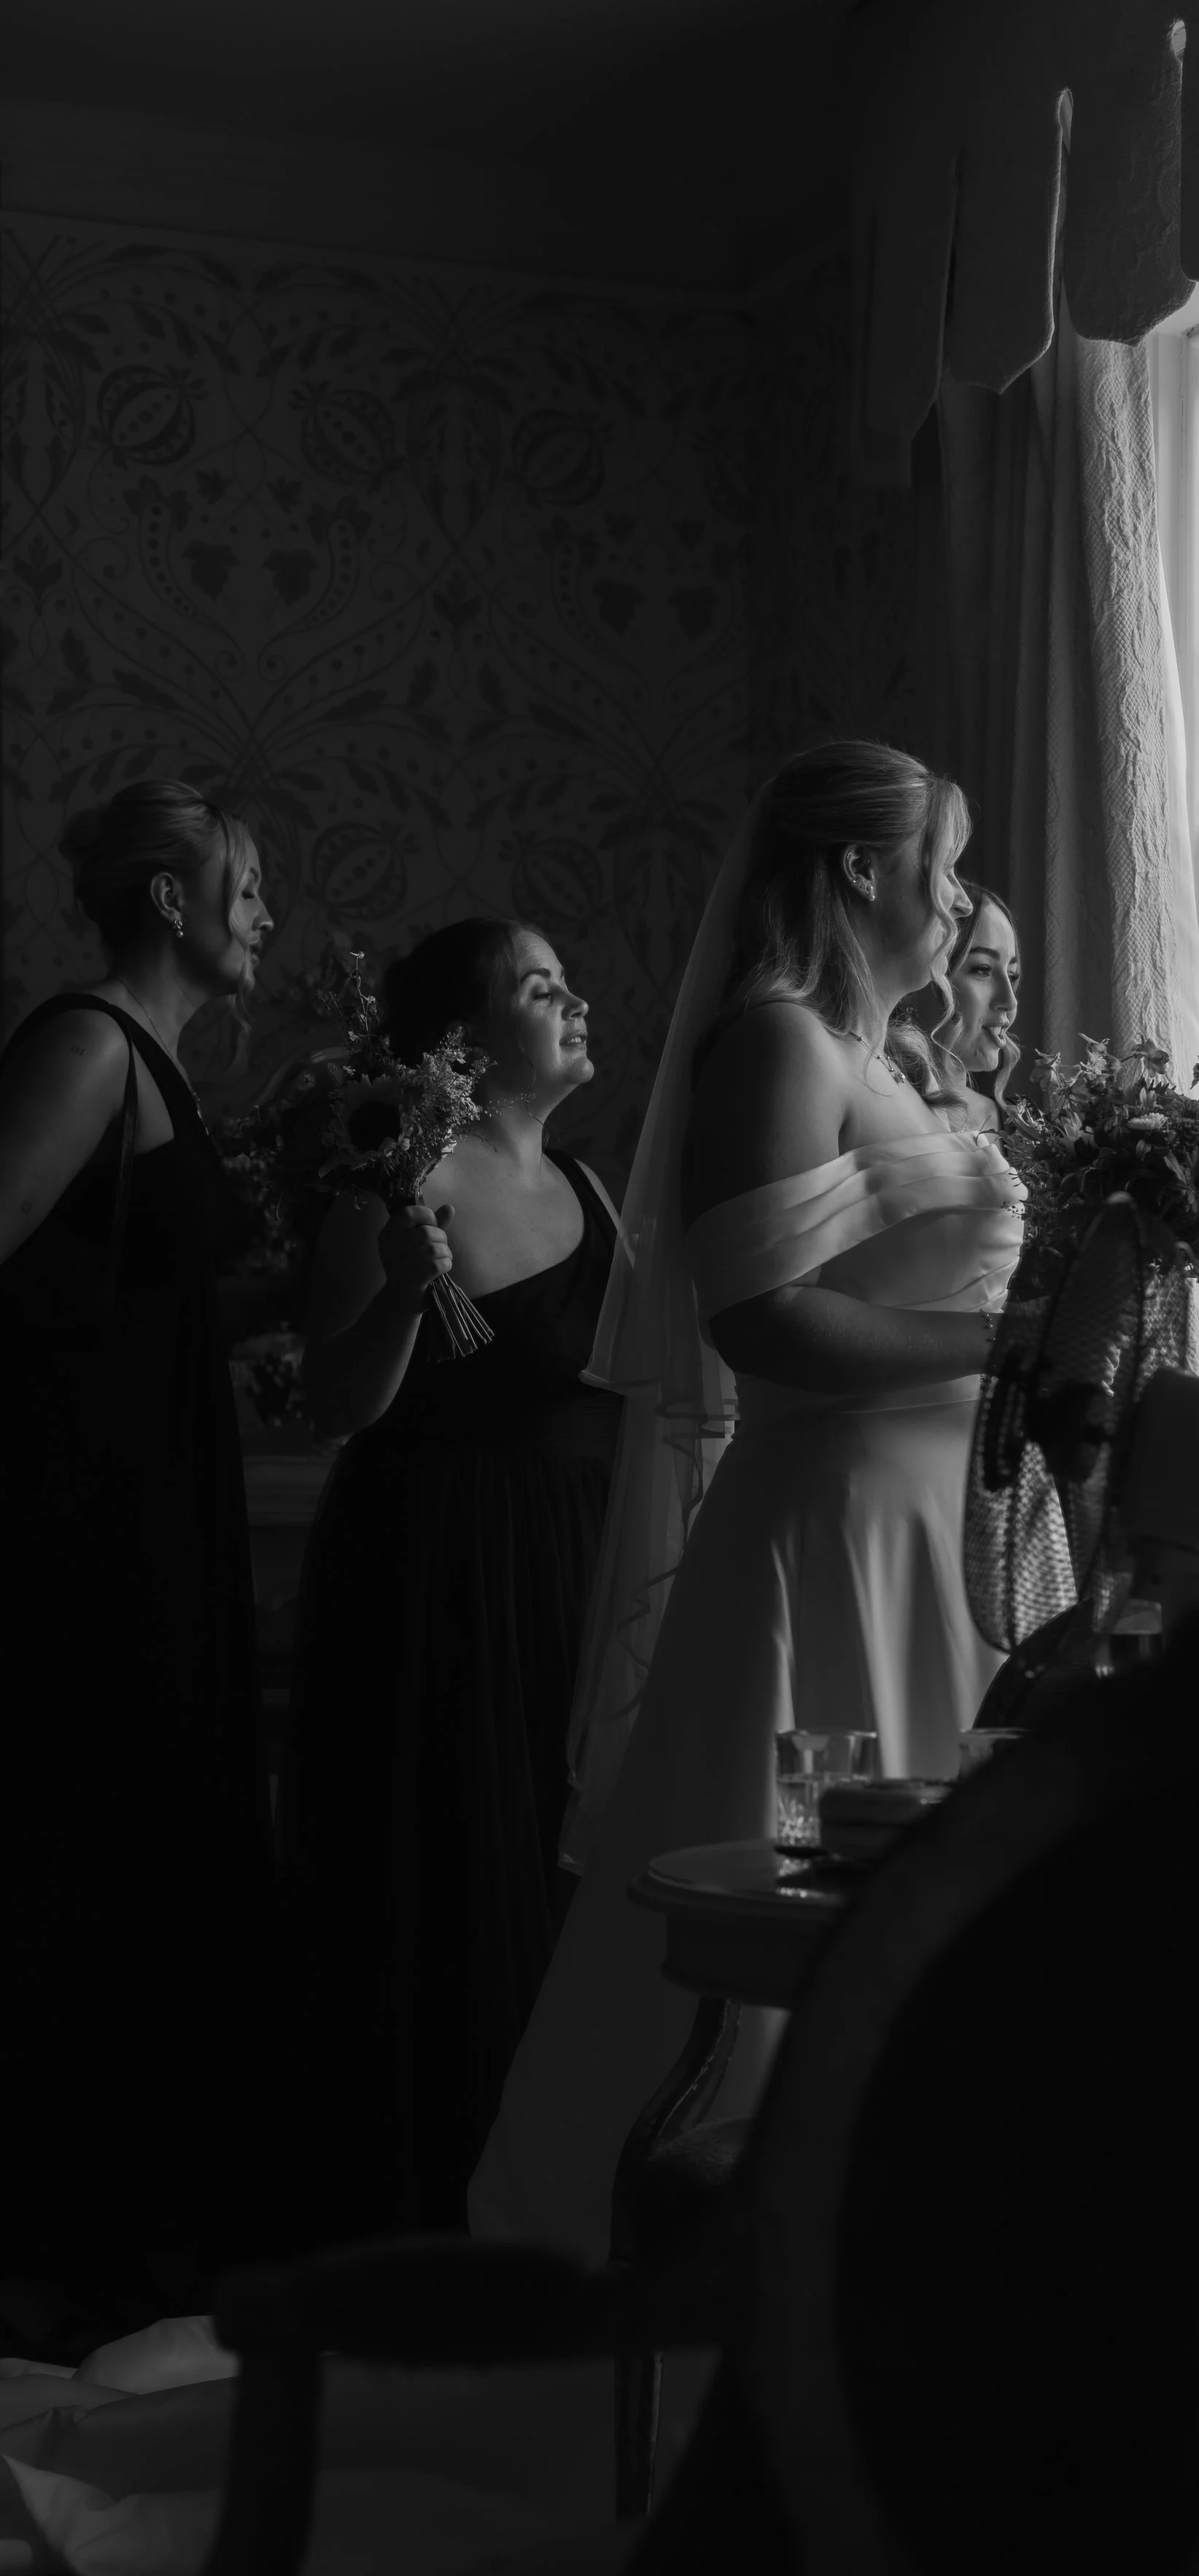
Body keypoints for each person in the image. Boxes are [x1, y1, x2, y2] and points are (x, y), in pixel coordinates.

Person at [469, 741, 1024, 2260]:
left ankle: (909, 2255)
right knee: (812, 1889)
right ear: (856, 869)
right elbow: (759, 1318)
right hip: (829, 1556)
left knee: (934, 1914)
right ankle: (742, 2274)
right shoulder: (775, 1045)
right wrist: (1009, 1344)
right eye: (942, 860)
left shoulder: (892, 1063)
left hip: (942, 1550)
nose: (958, 894)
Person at [283, 919, 624, 2236]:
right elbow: (333, 1402)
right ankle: (430, 2201)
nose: (579, 998)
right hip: (443, 1574)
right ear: (467, 1047)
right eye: (547, 988)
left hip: (576, 1567)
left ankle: (553, 2184)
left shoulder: (594, 1192)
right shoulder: (392, 1189)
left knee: (558, 1860)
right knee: (451, 1868)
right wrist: (401, 1301)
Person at [0, 779, 278, 2305]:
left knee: (154, 1860)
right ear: (168, 901)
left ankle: (134, 2247)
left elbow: (135, 1300)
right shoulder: (89, 1045)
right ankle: (58, 2260)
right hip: (76, 1528)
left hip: (159, 1503)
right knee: (82, 1862)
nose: (268, 915)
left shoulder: (157, 1062)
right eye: (245, 884)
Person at [928, 880, 1022, 1130]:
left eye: (1012, 976)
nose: (1010, 1001)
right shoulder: (878, 1115)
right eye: (983, 969)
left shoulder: (1021, 1126)